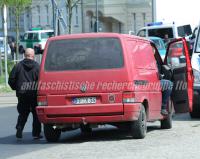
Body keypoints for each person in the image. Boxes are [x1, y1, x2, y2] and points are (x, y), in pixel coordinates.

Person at [8, 48, 42, 139]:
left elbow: (11, 79)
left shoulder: (18, 66)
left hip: (22, 94)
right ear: (33, 56)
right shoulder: (37, 67)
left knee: (23, 113)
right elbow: (41, 81)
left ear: (24, 55)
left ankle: (19, 128)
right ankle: (36, 134)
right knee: (36, 114)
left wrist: (16, 88)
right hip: (34, 94)